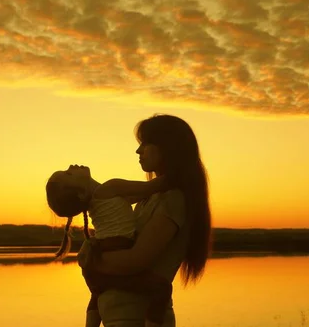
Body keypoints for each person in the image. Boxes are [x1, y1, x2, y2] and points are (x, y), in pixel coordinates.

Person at [78, 114, 212, 327]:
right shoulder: (149, 199)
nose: (138, 151)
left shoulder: (174, 199)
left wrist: (91, 261)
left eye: (146, 144)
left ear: (168, 147)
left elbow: (136, 260)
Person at [46, 164, 172, 326]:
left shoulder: (102, 197)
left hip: (98, 257)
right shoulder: (111, 188)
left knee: (98, 292)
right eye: (69, 174)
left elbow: (136, 196)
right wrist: (181, 173)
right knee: (161, 288)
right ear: (81, 192)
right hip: (116, 250)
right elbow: (152, 187)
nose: (71, 166)